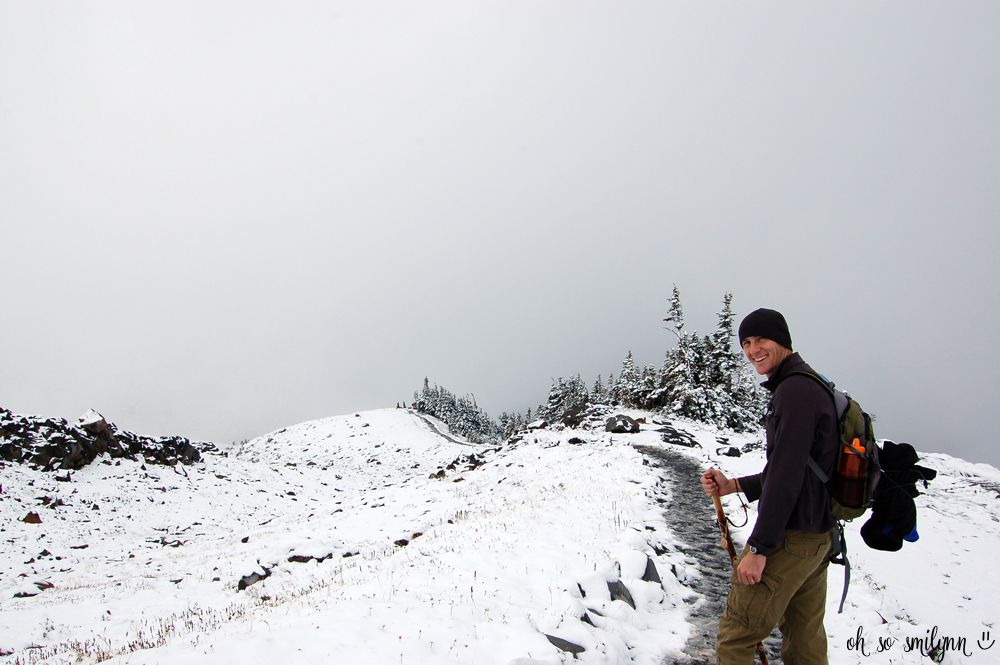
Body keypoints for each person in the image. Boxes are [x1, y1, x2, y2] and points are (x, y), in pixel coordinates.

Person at [700, 308, 838, 665]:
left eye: (761, 339)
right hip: (818, 538)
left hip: (792, 538)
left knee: (736, 635)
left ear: (783, 341)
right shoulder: (809, 385)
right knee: (804, 639)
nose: (752, 350)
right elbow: (793, 468)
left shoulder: (794, 392)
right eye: (746, 342)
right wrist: (733, 486)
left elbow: (787, 476)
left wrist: (759, 547)